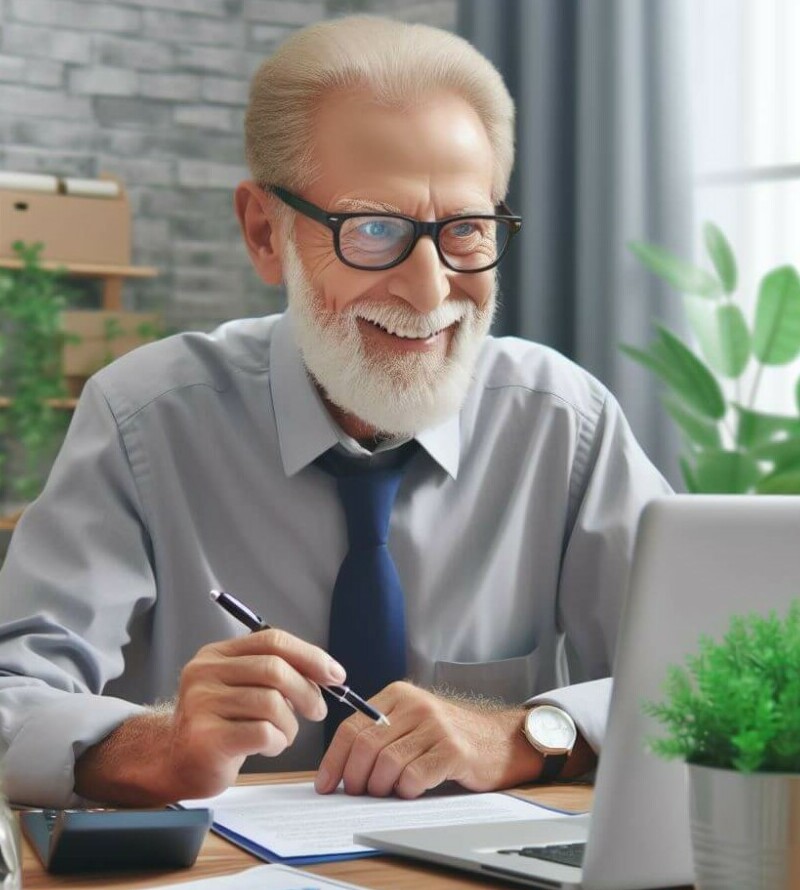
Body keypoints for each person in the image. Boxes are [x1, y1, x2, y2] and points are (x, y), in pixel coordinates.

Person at [0, 16, 671, 808]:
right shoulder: (144, 419)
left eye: (465, 230)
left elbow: (706, 678)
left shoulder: (563, 421)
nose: (430, 292)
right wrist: (163, 745)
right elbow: (14, 701)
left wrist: (520, 734)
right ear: (264, 232)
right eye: (374, 229)